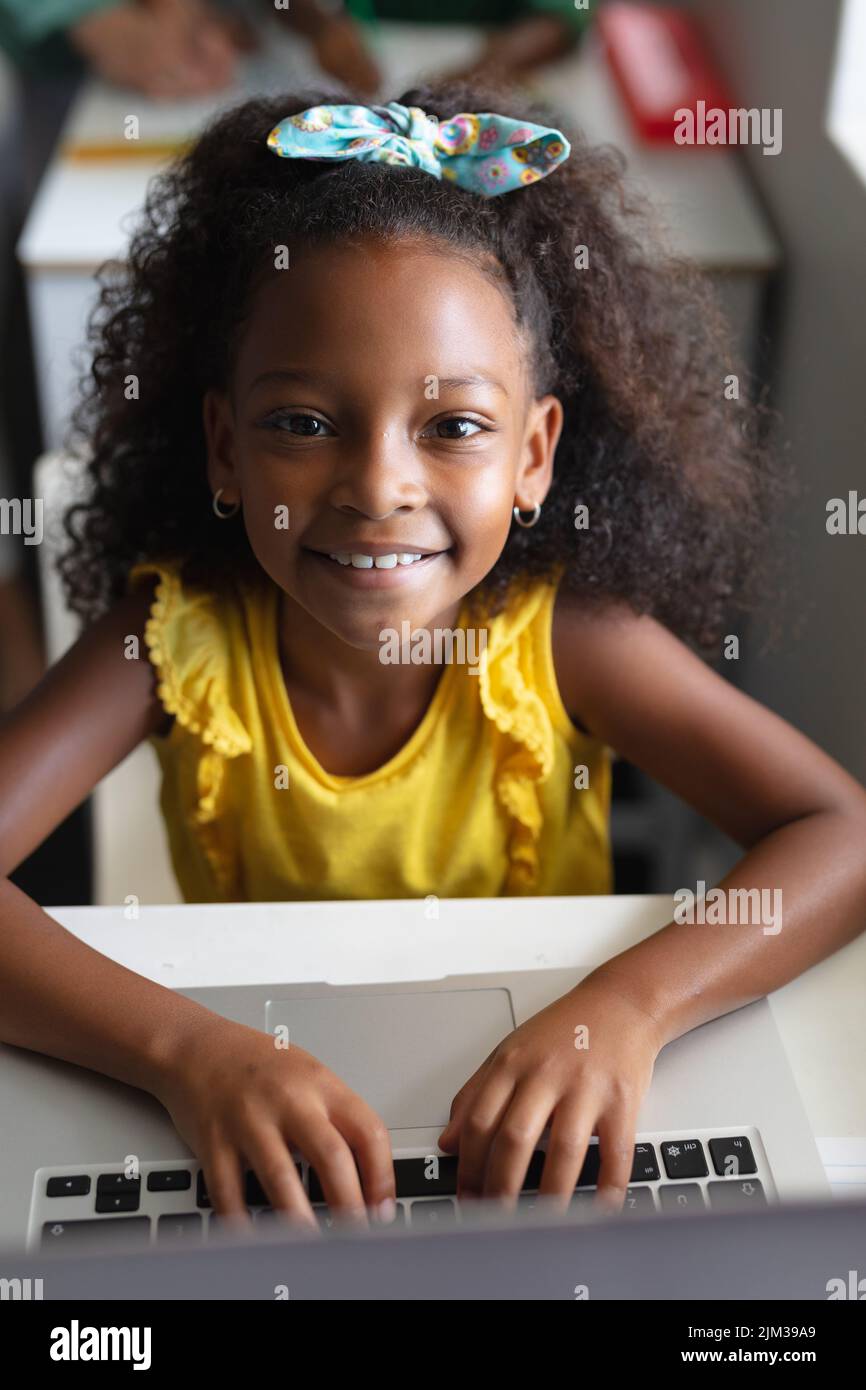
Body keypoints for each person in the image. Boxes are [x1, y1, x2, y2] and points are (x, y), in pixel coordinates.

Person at [1, 81, 865, 1229]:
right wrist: (185, 1054)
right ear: (223, 444)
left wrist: (624, 1011)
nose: (376, 489)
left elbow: (839, 833)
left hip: (528, 1105)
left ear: (533, 452)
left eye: (451, 426)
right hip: (255, 1098)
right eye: (302, 424)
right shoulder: (170, 637)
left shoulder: (567, 636)